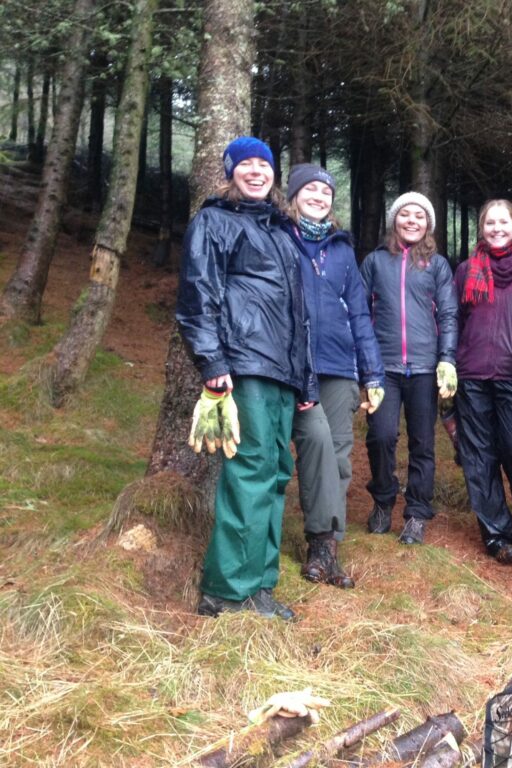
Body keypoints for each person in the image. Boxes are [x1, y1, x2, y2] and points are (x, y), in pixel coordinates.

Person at [177, 136, 316, 621]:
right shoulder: (214, 221)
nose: (256, 172)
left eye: (264, 165)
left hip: (282, 373)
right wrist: (213, 366)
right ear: (231, 171)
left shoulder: (281, 232)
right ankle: (226, 590)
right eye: (247, 165)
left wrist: (306, 384)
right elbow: (198, 296)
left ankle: (259, 585)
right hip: (244, 366)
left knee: (276, 473)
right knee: (251, 471)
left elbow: (298, 314)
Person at [283, 163, 385, 589]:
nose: (320, 197)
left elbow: (360, 314)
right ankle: (307, 538)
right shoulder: (278, 238)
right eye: (311, 190)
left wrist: (373, 374)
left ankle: (326, 548)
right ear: (292, 196)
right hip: (288, 365)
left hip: (340, 366)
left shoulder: (343, 250)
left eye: (326, 193)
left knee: (340, 455)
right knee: (314, 445)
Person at [360, 191, 458, 545]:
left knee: (423, 442)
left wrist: (447, 358)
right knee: (381, 436)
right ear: (394, 220)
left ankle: (417, 511)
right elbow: (360, 314)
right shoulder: (374, 262)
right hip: (382, 367)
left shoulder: (438, 265)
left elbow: (447, 314)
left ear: (428, 224)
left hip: (424, 367)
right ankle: (383, 499)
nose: (412, 221)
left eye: (419, 216)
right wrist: (364, 364)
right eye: (405, 215)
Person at [454, 199, 512, 567]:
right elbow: (456, 319)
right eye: (489, 223)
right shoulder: (466, 270)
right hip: (472, 376)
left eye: (503, 222)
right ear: (482, 228)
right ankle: (497, 534)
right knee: (479, 458)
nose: (496, 228)